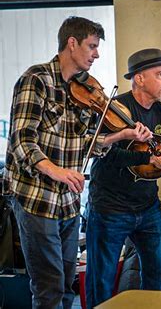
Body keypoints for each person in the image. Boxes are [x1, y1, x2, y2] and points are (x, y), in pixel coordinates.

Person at [2, 16, 148, 309]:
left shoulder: (81, 90)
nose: (97, 54)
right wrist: (58, 172)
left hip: (68, 201)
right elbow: (21, 141)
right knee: (49, 287)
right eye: (92, 46)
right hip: (36, 199)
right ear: (72, 43)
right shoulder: (36, 80)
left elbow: (85, 145)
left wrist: (122, 135)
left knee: (68, 283)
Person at [85, 48, 161, 308]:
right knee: (102, 281)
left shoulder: (160, 111)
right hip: (110, 207)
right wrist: (148, 159)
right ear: (139, 78)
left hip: (147, 206)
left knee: (155, 276)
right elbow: (105, 156)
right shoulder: (115, 109)